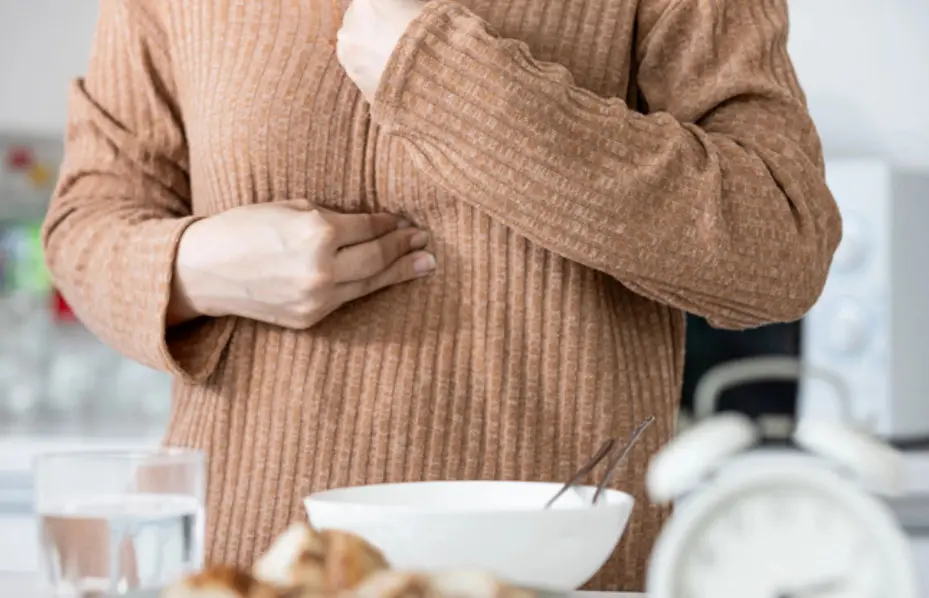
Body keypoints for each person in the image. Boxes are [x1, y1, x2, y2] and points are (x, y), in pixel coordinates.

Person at [41, 0, 842, 590]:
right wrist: (194, 265)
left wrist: (446, 81)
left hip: (555, 576)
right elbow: (84, 227)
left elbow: (780, 244)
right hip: (259, 567)